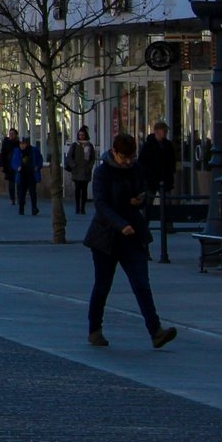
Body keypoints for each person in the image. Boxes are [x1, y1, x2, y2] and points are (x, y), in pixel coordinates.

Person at [85, 133, 178, 350]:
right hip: (106, 238)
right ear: (114, 153)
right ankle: (94, 329)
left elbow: (142, 190)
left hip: (132, 237)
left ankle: (156, 331)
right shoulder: (102, 173)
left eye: (131, 157)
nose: (128, 161)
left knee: (141, 284)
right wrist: (120, 224)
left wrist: (140, 200)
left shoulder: (135, 169)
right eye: (124, 157)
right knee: (102, 285)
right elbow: (101, 204)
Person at [138, 121, 179, 236]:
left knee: (167, 203)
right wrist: (146, 176)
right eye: (163, 131)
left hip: (165, 178)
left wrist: (171, 174)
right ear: (156, 131)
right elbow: (142, 163)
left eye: (165, 131)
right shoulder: (148, 145)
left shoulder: (168, 145)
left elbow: (171, 162)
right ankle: (143, 225)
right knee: (148, 204)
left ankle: (168, 225)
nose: (165, 133)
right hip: (152, 179)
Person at [66, 127, 98, 215]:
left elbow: (92, 158)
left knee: (84, 190)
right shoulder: (75, 145)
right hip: (76, 171)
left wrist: (90, 166)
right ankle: (77, 207)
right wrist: (73, 165)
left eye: (83, 135)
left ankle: (83, 208)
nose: (81, 137)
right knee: (77, 189)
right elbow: (69, 157)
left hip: (85, 171)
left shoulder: (89, 145)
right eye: (80, 135)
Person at [12, 134, 42, 215]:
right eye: (20, 143)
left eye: (23, 143)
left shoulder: (34, 151)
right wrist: (17, 168)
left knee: (33, 192)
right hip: (22, 175)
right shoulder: (17, 152)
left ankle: (34, 208)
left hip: (32, 174)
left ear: (27, 144)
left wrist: (37, 167)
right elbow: (13, 162)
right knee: (22, 193)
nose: (22, 145)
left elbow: (40, 160)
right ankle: (21, 208)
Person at [0, 128, 21, 205]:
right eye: (10, 133)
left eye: (12, 134)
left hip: (17, 165)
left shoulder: (18, 143)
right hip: (9, 166)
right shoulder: (6, 142)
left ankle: (19, 198)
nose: (11, 135)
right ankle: (12, 198)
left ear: (16, 135)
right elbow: (2, 154)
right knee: (11, 183)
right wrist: (1, 165)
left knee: (18, 182)